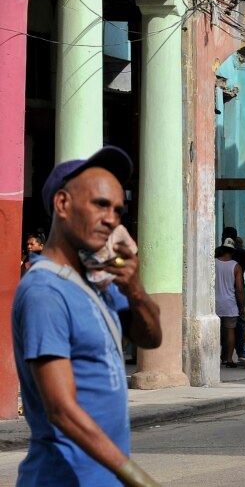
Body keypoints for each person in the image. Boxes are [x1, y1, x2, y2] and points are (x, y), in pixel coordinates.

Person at [12, 146, 162, 486]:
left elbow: (151, 338)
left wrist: (135, 290)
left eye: (118, 209)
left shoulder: (98, 285)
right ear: (63, 204)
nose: (111, 219)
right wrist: (138, 479)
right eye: (100, 204)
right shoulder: (45, 292)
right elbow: (62, 410)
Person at [221, 227, 245, 362]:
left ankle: (225, 355)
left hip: (220, 294)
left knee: (224, 326)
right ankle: (242, 353)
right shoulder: (242, 254)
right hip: (236, 294)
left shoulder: (217, 253)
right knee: (240, 323)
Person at [215, 238, 245, 367]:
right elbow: (239, 288)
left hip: (214, 302)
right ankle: (228, 360)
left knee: (215, 332)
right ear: (233, 251)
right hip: (229, 304)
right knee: (230, 332)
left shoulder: (213, 263)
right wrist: (243, 304)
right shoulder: (236, 266)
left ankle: (213, 359)